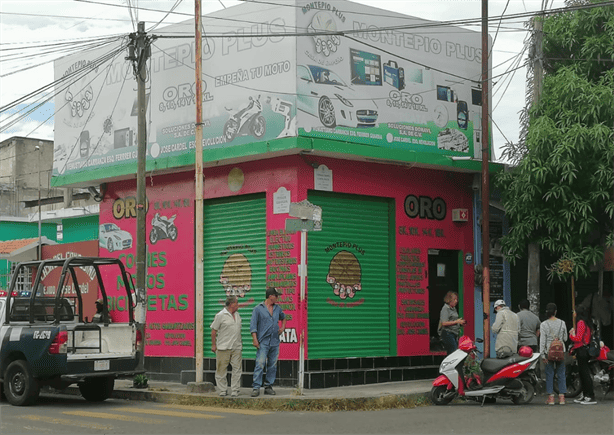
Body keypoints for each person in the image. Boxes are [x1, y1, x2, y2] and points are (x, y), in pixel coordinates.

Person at [250, 287, 286, 397]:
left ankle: (268, 386)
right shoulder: (258, 309)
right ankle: (256, 387)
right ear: (271, 296)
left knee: (272, 365)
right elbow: (253, 325)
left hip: (274, 341)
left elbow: (283, 318)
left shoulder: (277, 309)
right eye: (276, 296)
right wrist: (255, 339)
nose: (278, 298)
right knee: (260, 363)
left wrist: (282, 327)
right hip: (263, 341)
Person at [210, 295, 242, 397]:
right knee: (221, 369)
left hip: (236, 347)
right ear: (231, 304)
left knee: (237, 369)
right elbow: (214, 331)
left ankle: (235, 390)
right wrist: (214, 345)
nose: (238, 305)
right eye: (236, 303)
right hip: (223, 347)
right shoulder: (220, 315)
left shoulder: (237, 315)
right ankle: (223, 390)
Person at [540, 302, 567, 405]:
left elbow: (542, 340)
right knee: (561, 373)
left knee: (549, 374)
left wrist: (542, 354)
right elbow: (565, 338)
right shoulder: (562, 323)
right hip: (560, 351)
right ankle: (562, 397)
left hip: (549, 351)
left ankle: (551, 397)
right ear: (555, 311)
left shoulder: (544, 324)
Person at [569, 304, 597, 405]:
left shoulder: (581, 323)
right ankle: (586, 395)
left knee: (584, 374)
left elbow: (578, 339)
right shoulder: (587, 323)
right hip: (584, 350)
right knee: (583, 374)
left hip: (581, 350)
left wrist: (571, 335)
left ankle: (589, 395)